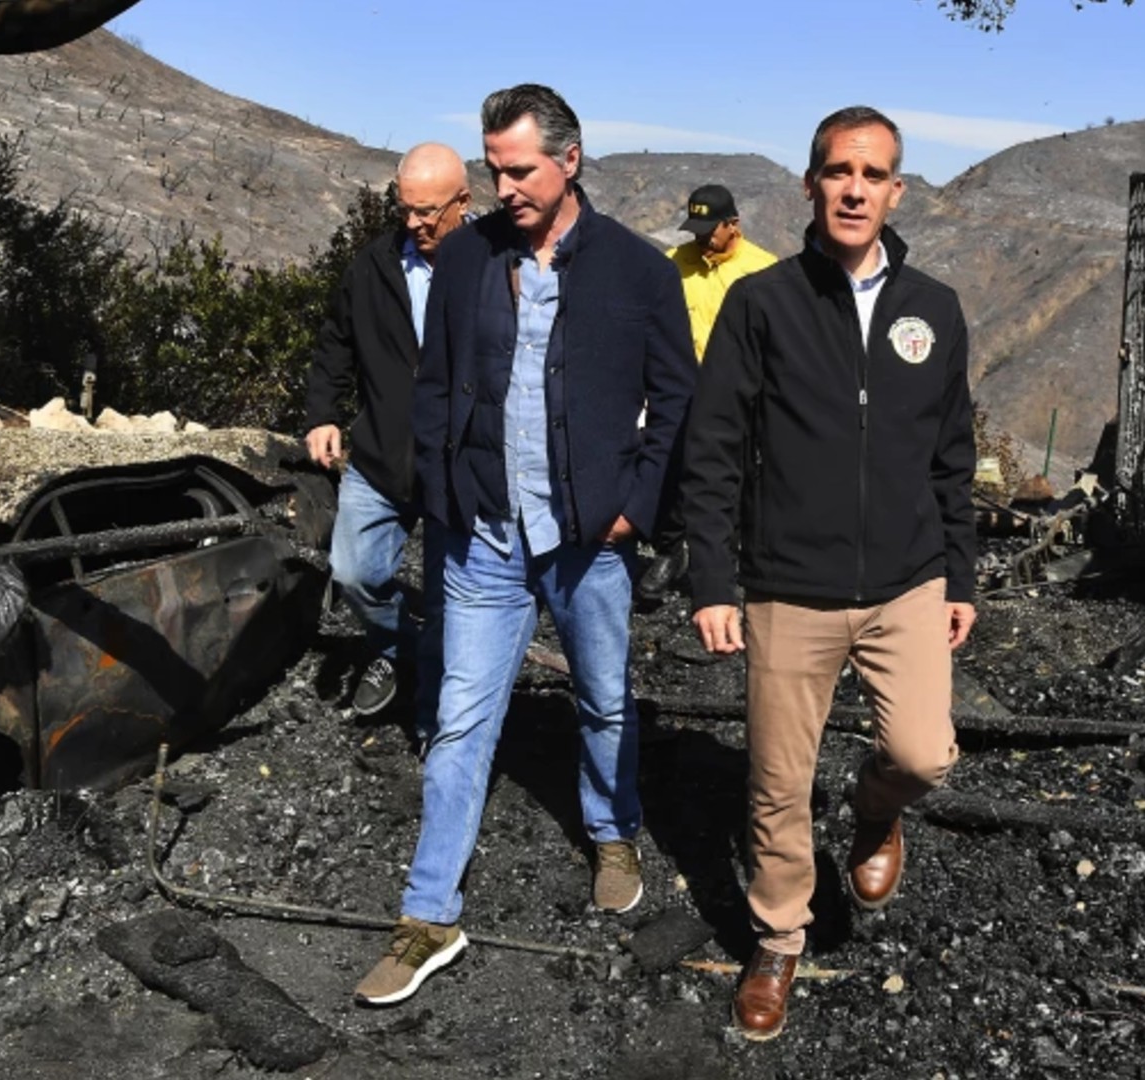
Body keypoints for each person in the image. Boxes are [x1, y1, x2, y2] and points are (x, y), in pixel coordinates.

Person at [354, 84, 696, 1006]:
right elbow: (435, 386)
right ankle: (429, 914)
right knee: (461, 719)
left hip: (589, 537)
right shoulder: (467, 257)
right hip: (483, 536)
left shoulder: (636, 271)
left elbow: (677, 401)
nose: (503, 186)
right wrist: (442, 490)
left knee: (603, 695)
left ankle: (613, 829)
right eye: (494, 169)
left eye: (520, 169)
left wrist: (635, 507)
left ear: (570, 160)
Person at [678, 106, 978, 1042]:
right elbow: (714, 450)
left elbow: (953, 456)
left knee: (926, 753)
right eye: (839, 171)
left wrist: (960, 575)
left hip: (906, 579)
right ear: (810, 185)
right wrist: (713, 582)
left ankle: (874, 813)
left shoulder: (934, 308)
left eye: (874, 173)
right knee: (775, 781)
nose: (855, 188)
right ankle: (778, 937)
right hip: (786, 586)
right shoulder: (761, 303)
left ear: (896, 191)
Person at [304, 143, 472, 722]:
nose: (414, 223)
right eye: (405, 209)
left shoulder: (495, 265)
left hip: (459, 467)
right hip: (381, 454)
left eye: (428, 211)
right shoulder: (371, 265)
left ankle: (436, 717)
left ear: (463, 203)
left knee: (453, 600)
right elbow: (336, 343)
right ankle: (395, 648)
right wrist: (323, 413)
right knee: (352, 570)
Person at [637, 183, 779, 601]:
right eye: (694, 230)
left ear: (733, 225)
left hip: (740, 394)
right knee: (668, 468)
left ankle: (724, 566)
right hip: (680, 390)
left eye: (708, 230)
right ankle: (669, 551)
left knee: (731, 479)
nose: (700, 239)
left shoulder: (763, 271)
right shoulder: (673, 265)